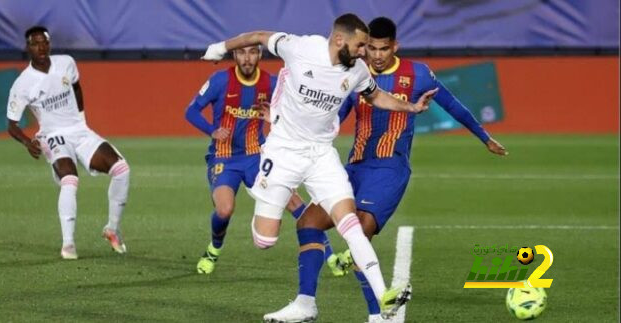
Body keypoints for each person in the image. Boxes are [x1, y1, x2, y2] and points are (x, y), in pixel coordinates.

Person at [201, 13, 437, 321]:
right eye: (360, 45)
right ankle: (270, 190)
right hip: (283, 152)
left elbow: (376, 96)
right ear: (340, 40)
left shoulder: (357, 70)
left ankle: (384, 300)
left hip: (321, 154)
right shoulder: (300, 48)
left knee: (349, 223)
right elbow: (259, 35)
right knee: (264, 240)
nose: (364, 51)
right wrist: (220, 47)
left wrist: (412, 107)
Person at [291, 17, 508, 322]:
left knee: (359, 237)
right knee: (307, 223)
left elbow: (452, 105)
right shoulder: (356, 72)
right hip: (354, 167)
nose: (376, 55)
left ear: (395, 46)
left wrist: (484, 137)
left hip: (390, 168)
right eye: (372, 49)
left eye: (383, 49)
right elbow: (335, 113)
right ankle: (305, 303)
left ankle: (377, 316)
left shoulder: (417, 74)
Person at [185, 45, 346, 276]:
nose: (247, 58)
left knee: (296, 204)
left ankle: (331, 257)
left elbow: (292, 112)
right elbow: (190, 111)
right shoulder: (220, 80)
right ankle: (214, 249)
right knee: (224, 209)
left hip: (258, 157)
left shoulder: (272, 83)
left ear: (260, 54)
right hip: (224, 157)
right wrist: (212, 131)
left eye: (252, 52)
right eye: (242, 53)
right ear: (234, 55)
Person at [6, 26, 130, 260]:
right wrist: (26, 142)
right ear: (27, 47)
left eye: (44, 42)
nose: (41, 47)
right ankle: (68, 244)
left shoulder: (66, 63)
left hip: (79, 131)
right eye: (35, 43)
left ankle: (112, 230)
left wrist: (82, 119)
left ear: (49, 44)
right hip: (53, 136)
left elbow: (76, 86)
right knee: (70, 179)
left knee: (122, 169)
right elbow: (11, 124)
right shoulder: (22, 84)